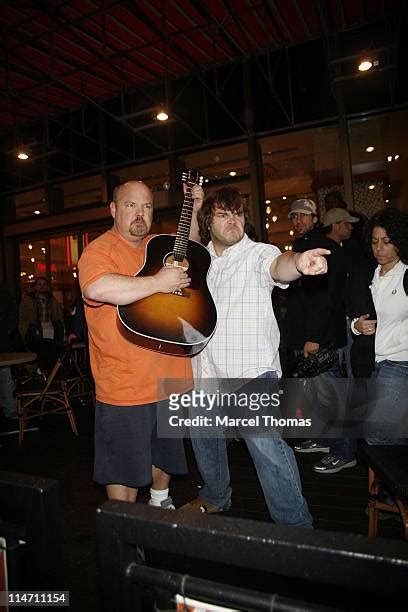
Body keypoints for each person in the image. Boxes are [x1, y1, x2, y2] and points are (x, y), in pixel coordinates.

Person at [179, 187, 330, 528]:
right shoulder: (203, 261)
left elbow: (278, 266)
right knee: (205, 442)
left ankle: (295, 527)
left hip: (250, 372)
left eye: (237, 213)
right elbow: (185, 248)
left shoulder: (258, 253)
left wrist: (300, 262)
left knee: (265, 447)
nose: (233, 220)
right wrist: (196, 204)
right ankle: (215, 497)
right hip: (205, 369)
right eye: (223, 214)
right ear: (208, 222)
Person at [78, 179, 203, 506]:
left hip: (171, 379)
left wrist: (196, 211)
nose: (140, 213)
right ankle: (124, 531)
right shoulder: (99, 250)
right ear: (114, 210)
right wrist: (158, 283)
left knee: (167, 455)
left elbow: (195, 257)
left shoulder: (159, 245)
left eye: (147, 206)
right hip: (125, 386)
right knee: (123, 469)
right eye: (131, 205)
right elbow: (96, 288)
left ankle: (160, 500)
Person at [350, 208, 408, 445]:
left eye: (386, 241)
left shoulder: (406, 275)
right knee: (388, 431)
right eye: (374, 242)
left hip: (398, 362)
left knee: (377, 432)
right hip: (369, 363)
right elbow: (354, 315)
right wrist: (356, 326)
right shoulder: (367, 275)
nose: (379, 248)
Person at [19, 276, 64, 370]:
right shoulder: (27, 301)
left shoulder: (53, 300)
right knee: (39, 356)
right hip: (35, 333)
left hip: (51, 332)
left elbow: (59, 317)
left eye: (44, 284)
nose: (42, 286)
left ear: (47, 287)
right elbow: (22, 320)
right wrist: (24, 333)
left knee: (51, 357)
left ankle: (48, 376)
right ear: (35, 286)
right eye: (39, 284)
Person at [0, 282, 19, 419]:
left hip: (2, 340)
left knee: (5, 374)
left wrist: (7, 330)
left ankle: (10, 408)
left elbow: (12, 311)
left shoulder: (2, 290)